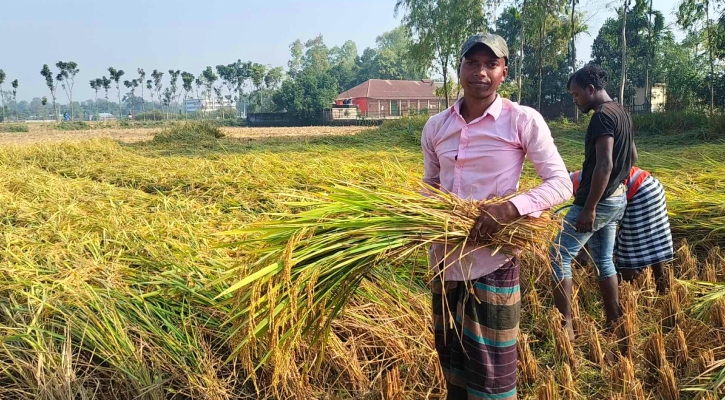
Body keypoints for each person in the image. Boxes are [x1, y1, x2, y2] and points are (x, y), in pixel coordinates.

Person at [422, 33, 572, 400]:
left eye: (491, 64)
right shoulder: (436, 126)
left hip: (494, 262)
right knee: (452, 369)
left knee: (493, 380)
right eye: (472, 63)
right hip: (444, 265)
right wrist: (425, 216)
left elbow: (561, 184)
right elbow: (430, 184)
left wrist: (511, 208)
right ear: (459, 69)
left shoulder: (521, 120)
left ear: (505, 72)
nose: (480, 72)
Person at [550, 65, 634, 339]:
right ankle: (614, 322)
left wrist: (590, 208)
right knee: (604, 261)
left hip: (597, 202)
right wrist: (614, 189)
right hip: (616, 198)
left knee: (558, 255)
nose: (575, 101)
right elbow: (632, 157)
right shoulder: (621, 112)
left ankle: (567, 328)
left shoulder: (601, 117)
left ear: (590, 89)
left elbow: (605, 164)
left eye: (576, 95)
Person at [570, 165, 674, 294]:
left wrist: (586, 251)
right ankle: (661, 284)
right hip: (652, 186)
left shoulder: (581, 187)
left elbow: (595, 219)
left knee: (628, 250)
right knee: (651, 240)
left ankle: (626, 294)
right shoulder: (581, 176)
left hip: (640, 192)